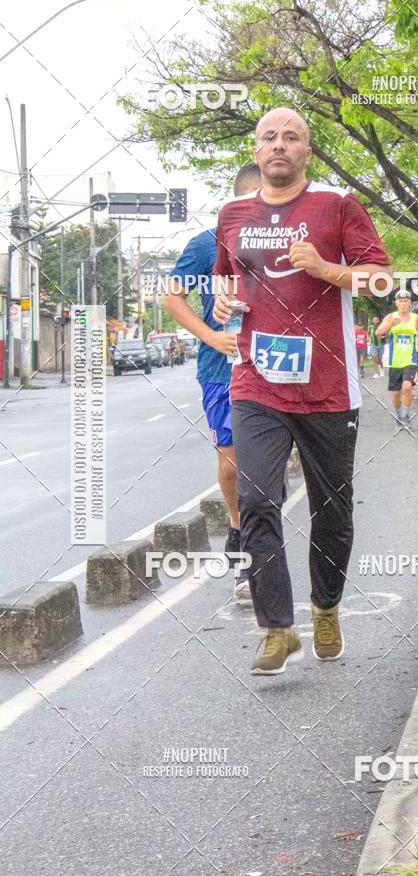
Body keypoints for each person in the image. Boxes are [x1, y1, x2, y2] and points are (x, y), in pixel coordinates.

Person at [213, 106, 391, 675]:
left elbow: (381, 277)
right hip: (255, 381)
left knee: (331, 512)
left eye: (292, 137)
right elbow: (226, 276)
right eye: (270, 137)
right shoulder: (233, 213)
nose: (280, 145)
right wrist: (220, 300)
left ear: (306, 152)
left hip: (329, 387)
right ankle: (277, 628)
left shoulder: (336, 206)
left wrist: (324, 267)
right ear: (256, 150)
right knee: (258, 499)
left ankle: (326, 606)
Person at [164, 164, 262, 599]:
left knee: (267, 466)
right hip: (221, 370)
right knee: (232, 462)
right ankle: (240, 532)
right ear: (240, 202)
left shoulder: (291, 242)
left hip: (276, 367)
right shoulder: (207, 245)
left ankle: (263, 549)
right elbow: (172, 295)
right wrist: (210, 336)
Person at [375, 290, 418, 423]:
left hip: (410, 359)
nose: (403, 303)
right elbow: (378, 333)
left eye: (406, 301)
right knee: (396, 393)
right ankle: (399, 415)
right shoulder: (391, 317)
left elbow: (417, 330)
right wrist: (391, 324)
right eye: (400, 301)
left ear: (410, 303)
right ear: (396, 303)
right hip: (395, 361)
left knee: (407, 387)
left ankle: (406, 416)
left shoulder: (415, 318)